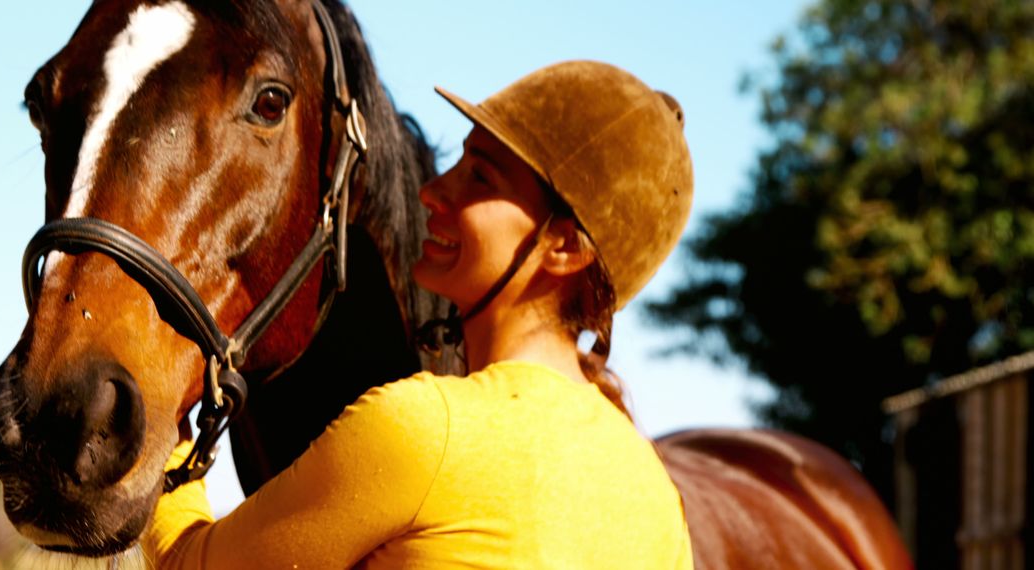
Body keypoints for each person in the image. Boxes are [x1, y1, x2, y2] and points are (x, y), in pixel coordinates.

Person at [145, 60, 695, 569]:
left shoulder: (426, 428)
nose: (433, 192)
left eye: (480, 177)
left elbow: (184, 567)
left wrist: (163, 429)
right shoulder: (653, 491)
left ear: (565, 247)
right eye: (457, 162)